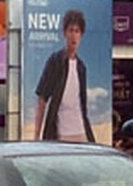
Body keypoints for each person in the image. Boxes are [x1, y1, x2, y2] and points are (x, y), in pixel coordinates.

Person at [33, 9, 95, 142]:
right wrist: (36, 135)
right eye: (71, 30)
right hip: (60, 132)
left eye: (77, 31)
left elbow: (82, 103)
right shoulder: (55, 60)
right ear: (64, 33)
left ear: (81, 35)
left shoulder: (81, 67)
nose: (73, 35)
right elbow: (42, 98)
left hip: (80, 130)